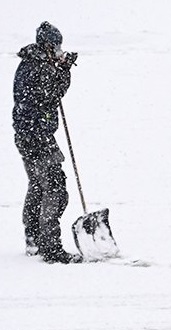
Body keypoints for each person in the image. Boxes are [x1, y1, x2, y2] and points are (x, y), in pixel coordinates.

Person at [12, 21, 82, 264]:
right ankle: (50, 248)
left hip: (27, 135)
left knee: (38, 185)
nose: (60, 50)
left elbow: (49, 94)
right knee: (55, 187)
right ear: (47, 46)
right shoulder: (39, 67)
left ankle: (33, 237)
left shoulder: (32, 63)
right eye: (57, 46)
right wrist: (64, 71)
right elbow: (52, 95)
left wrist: (59, 69)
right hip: (36, 137)